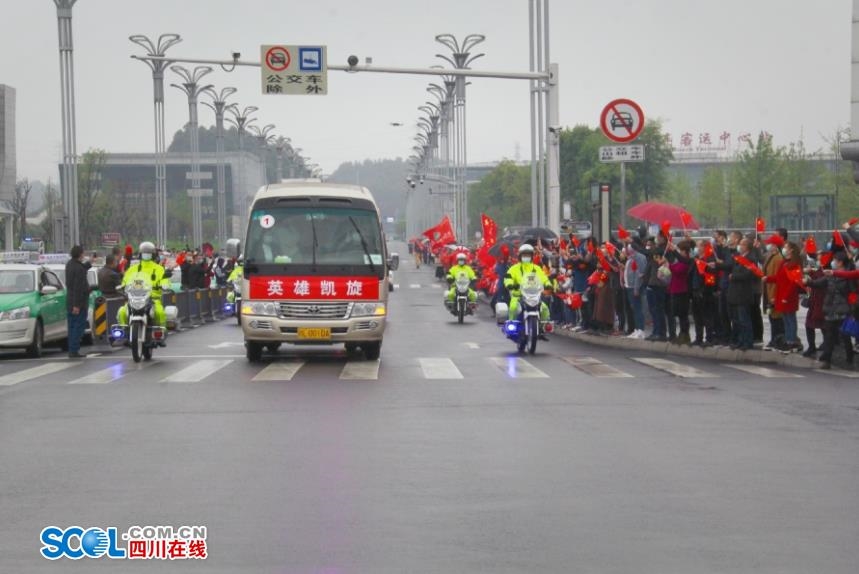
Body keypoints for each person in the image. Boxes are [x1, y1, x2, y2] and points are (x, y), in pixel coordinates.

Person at [806, 252, 856, 369]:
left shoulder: (848, 275)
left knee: (845, 335)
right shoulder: (830, 274)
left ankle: (849, 357)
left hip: (843, 310)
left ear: (840, 262)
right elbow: (818, 283)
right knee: (829, 335)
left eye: (835, 260)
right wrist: (808, 282)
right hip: (830, 309)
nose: (833, 262)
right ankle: (826, 359)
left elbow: (853, 292)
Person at [117, 241, 170, 333]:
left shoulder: (159, 268)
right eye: (145, 253)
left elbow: (164, 279)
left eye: (149, 253)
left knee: (160, 312)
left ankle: (161, 333)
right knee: (122, 312)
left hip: (153, 298)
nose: (146, 255)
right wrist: (123, 285)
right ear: (140, 255)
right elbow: (126, 279)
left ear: (153, 255)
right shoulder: (133, 268)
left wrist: (164, 284)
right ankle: (124, 332)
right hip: (135, 297)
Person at [763, 241, 804, 352]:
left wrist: (786, 297)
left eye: (786, 247)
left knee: (791, 319)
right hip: (781, 294)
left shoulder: (795, 264)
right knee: (785, 319)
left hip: (789, 296)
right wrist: (768, 278)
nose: (784, 249)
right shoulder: (784, 263)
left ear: (791, 250)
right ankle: (787, 340)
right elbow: (779, 278)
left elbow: (793, 283)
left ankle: (792, 342)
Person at [504, 243, 552, 324]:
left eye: (528, 255)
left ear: (531, 256)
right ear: (520, 256)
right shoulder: (514, 268)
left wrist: (548, 284)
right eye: (524, 255)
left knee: (544, 308)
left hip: (534, 296)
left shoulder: (536, 268)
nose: (526, 257)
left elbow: (543, 277)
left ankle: (544, 326)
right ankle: (512, 324)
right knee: (513, 307)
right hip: (518, 295)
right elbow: (508, 277)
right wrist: (510, 284)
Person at [65, 245, 92, 358]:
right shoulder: (79, 268)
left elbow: (80, 270)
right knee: (78, 327)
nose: (84, 255)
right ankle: (74, 350)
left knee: (71, 327)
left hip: (70, 300)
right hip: (79, 303)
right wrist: (77, 305)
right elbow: (78, 287)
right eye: (83, 253)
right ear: (80, 254)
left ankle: (72, 349)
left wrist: (89, 263)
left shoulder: (69, 264)